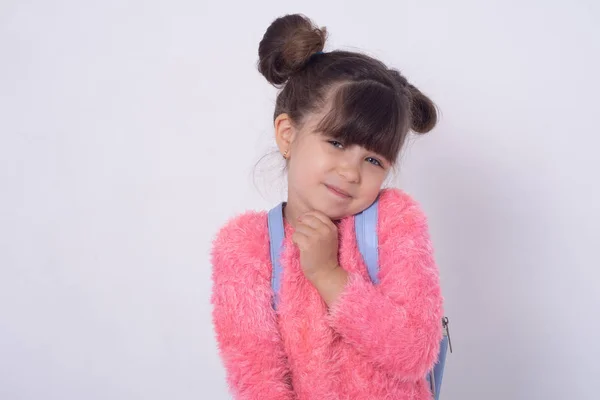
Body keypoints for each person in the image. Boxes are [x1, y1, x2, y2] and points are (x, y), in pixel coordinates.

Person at [211, 13, 443, 400]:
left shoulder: (394, 221)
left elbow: (415, 353)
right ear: (288, 135)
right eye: (336, 143)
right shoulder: (245, 248)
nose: (351, 172)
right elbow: (258, 381)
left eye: (374, 160)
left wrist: (329, 275)